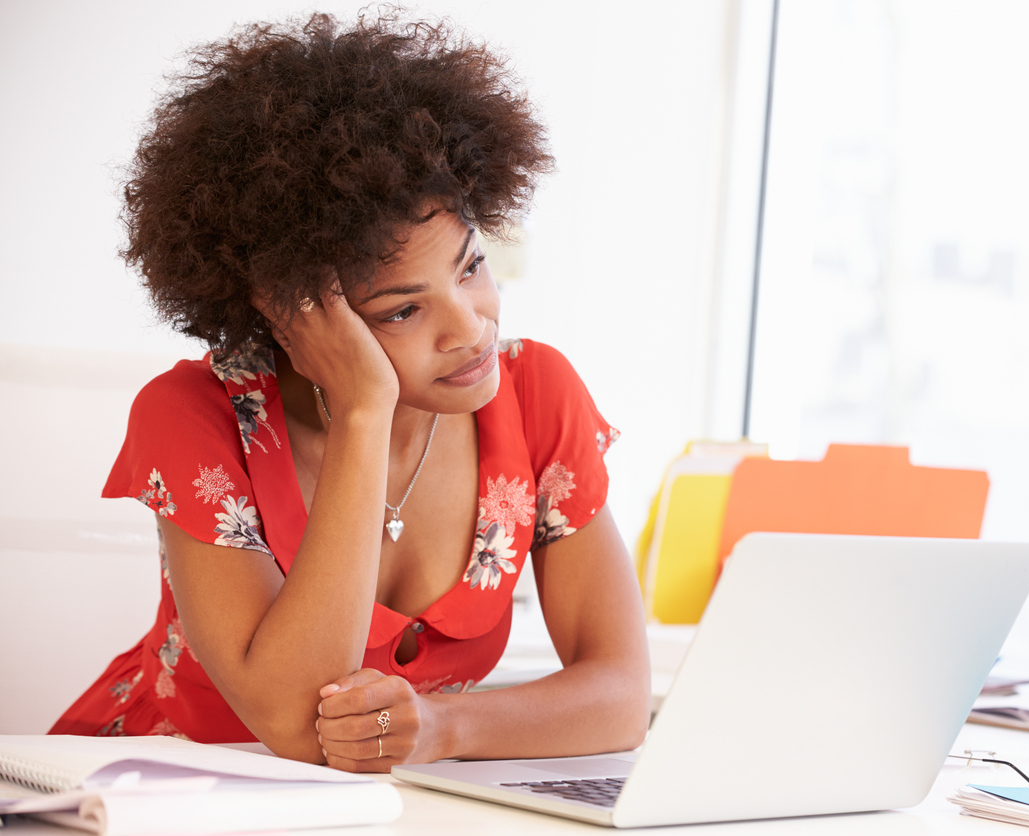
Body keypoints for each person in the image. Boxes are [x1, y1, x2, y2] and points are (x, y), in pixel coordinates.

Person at [49, 11, 651, 772]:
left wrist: (441, 728)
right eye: (402, 309)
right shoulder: (193, 417)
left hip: (388, 815)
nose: (470, 330)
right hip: (140, 799)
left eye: (470, 267)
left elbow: (623, 695)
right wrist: (365, 411)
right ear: (291, 310)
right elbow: (297, 726)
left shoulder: (537, 394)